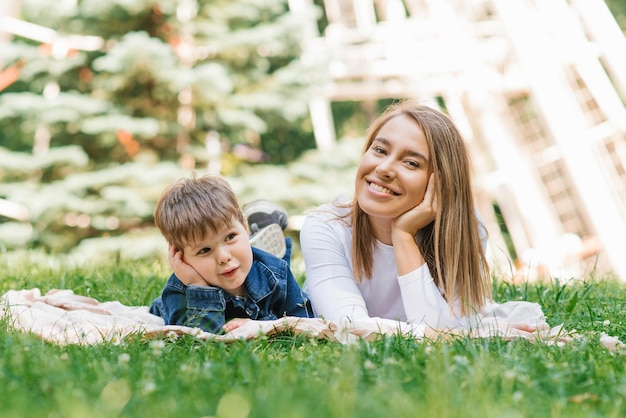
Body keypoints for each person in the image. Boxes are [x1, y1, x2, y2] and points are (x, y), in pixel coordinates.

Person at [300, 100, 545, 339]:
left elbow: (446, 329)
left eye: (411, 163)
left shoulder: (465, 230)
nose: (384, 168)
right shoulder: (325, 227)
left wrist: (404, 236)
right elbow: (348, 328)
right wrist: (465, 335)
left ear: (441, 182)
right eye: (380, 150)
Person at [149, 174, 313, 334]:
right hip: (171, 301)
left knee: (267, 261)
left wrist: (259, 326)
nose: (223, 257)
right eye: (204, 250)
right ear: (181, 256)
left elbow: (305, 320)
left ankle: (260, 231)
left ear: (244, 225)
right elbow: (196, 342)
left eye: (230, 237)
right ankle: (260, 229)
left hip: (260, 263)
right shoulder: (180, 289)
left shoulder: (276, 272)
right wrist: (199, 286)